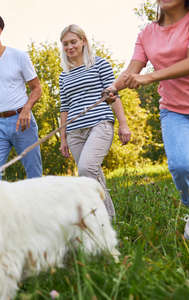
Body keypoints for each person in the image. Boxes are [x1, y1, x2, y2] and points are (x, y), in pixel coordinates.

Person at [107, 0, 189, 239]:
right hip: (175, 111)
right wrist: (113, 87)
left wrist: (150, 78)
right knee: (181, 165)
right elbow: (133, 69)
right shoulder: (147, 33)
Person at [58, 24, 132, 219]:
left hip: (99, 123)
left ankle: (105, 218)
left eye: (73, 42)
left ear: (83, 41)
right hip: (74, 131)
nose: (70, 47)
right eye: (65, 44)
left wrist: (123, 124)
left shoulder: (100, 64)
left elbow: (113, 95)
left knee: (86, 168)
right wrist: (62, 139)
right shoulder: (63, 75)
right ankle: (105, 219)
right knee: (90, 175)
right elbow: (64, 107)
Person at [0, 10, 42, 180]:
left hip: (22, 121)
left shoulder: (19, 56)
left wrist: (26, 110)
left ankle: (39, 206)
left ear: (0, 30)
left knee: (34, 173)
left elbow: (36, 88)